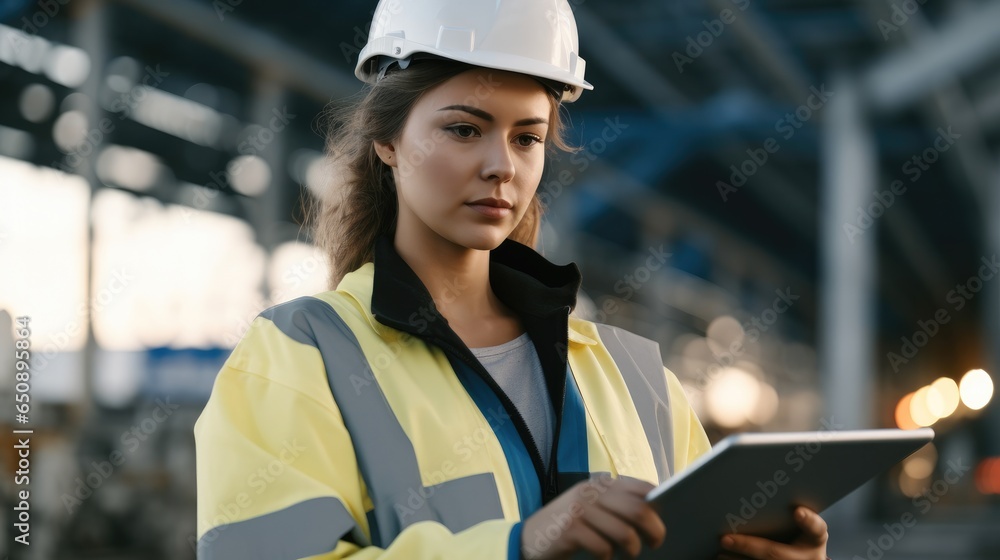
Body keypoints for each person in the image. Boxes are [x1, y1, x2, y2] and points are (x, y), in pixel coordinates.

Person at [194, 1, 830, 558]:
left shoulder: (636, 378)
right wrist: (517, 546)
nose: (501, 166)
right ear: (387, 141)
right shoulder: (297, 361)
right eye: (464, 129)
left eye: (528, 138)